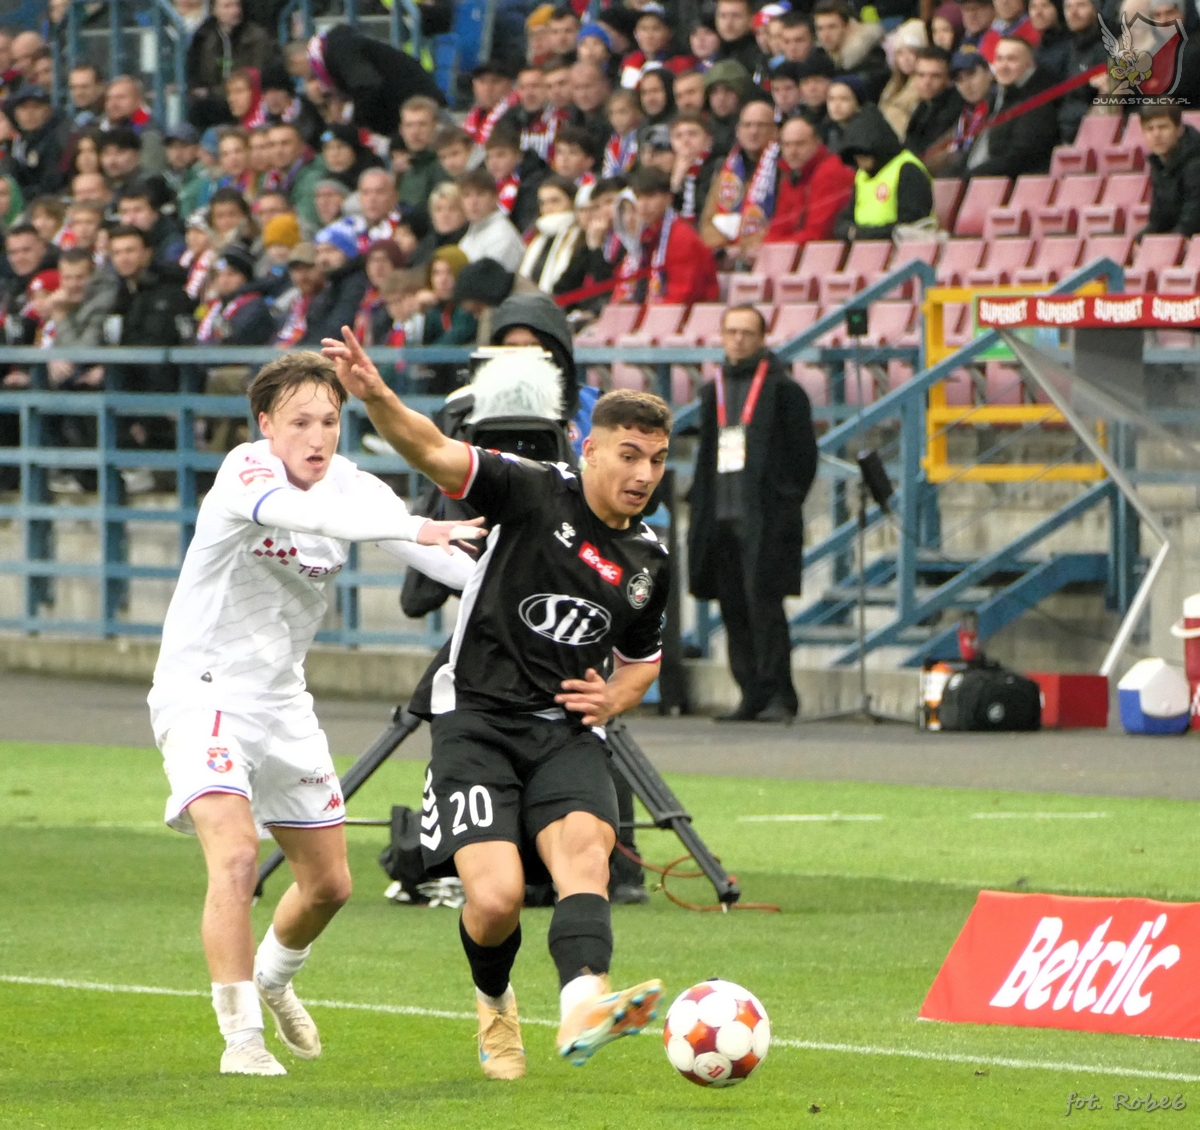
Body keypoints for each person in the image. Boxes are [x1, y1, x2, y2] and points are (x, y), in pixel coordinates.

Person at [320, 325, 672, 1079]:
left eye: (658, 459)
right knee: (496, 899)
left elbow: (644, 660)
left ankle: (584, 1003)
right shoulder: (533, 487)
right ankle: (494, 1002)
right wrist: (377, 394)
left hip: (566, 734)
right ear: (589, 448)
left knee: (587, 859)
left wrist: (611, 699)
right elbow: (434, 452)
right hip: (475, 723)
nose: (645, 473)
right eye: (630, 455)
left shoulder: (649, 561)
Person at [146, 350, 480, 1075]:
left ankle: (271, 976)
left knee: (331, 885)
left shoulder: (354, 487)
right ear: (265, 424)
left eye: (330, 420)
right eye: (300, 420)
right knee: (236, 855)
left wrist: (516, 586)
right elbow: (297, 512)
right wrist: (414, 528)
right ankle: (241, 1040)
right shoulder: (247, 473)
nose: (318, 435)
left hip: (282, 700)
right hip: (203, 692)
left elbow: (447, 560)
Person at [688, 305, 817, 725]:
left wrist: (783, 501)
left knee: (766, 608)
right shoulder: (715, 391)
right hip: (721, 518)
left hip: (764, 521)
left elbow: (804, 458)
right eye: (731, 331)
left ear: (762, 338)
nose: (738, 339)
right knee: (733, 609)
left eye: (747, 332)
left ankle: (781, 692)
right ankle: (750, 692)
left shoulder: (784, 391)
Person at [306, 24, 444, 135]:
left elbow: (366, 86)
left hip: (421, 106)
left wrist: (353, 125)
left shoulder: (340, 50)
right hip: (407, 106)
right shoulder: (343, 47)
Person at [614, 166, 719, 304]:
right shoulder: (645, 236)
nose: (643, 205)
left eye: (650, 197)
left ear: (668, 198)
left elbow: (682, 294)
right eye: (639, 197)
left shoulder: (682, 237)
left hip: (686, 316)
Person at [833, 103, 934, 240]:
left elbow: (910, 225)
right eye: (855, 157)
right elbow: (844, 220)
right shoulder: (862, 175)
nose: (859, 161)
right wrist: (852, 231)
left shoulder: (907, 169)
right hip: (868, 250)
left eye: (864, 154)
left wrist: (862, 234)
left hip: (903, 247)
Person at [964, 36, 1058, 178]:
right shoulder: (994, 98)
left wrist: (967, 177)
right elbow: (973, 152)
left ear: (1030, 64)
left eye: (1012, 59)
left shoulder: (1038, 101)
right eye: (999, 59)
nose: (1003, 66)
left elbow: (1018, 158)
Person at [700, 101, 780, 261]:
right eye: (747, 125)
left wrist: (746, 247)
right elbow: (708, 221)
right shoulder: (726, 169)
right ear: (738, 131)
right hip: (725, 256)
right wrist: (726, 249)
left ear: (775, 131)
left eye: (761, 125)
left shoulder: (783, 168)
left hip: (766, 255)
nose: (753, 131)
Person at [765, 115, 854, 246]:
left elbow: (818, 234)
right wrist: (765, 246)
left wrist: (771, 247)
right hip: (797, 252)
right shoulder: (793, 174)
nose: (792, 151)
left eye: (799, 144)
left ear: (816, 142)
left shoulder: (831, 172)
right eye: (787, 145)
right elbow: (780, 226)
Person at [301, 222, 368, 344]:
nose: (323, 259)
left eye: (330, 250)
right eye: (318, 252)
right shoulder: (332, 285)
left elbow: (336, 332)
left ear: (348, 252)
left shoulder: (356, 285)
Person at [1141, 103, 1200, 239]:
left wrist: (1167, 245)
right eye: (1149, 129)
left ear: (1179, 129)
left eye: (1163, 127)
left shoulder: (1196, 164)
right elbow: (1158, 220)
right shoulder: (1158, 164)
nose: (1156, 134)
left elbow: (1193, 219)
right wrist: (1139, 241)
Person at [812, 0, 889, 103]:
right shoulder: (818, 58)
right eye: (820, 28)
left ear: (847, 27)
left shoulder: (871, 56)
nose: (825, 35)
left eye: (832, 27)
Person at [1056, 0, 1107, 144]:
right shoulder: (1065, 49)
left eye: (1081, 5)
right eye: (1068, 7)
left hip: (1090, 135)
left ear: (1096, 9)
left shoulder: (1107, 49)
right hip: (1061, 132)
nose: (1073, 12)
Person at [519, 175, 581, 292]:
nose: (548, 208)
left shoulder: (579, 236)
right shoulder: (537, 237)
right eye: (543, 203)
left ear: (572, 201)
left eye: (555, 201)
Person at [457, 168, 526, 272]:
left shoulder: (502, 236)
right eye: (466, 195)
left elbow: (491, 282)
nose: (473, 202)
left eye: (480, 194)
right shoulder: (469, 235)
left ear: (495, 198)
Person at [904, 47, 965, 164]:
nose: (926, 82)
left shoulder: (955, 108)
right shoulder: (922, 107)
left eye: (935, 76)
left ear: (948, 79)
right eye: (921, 75)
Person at [397, 96, 449, 224]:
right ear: (401, 130)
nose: (415, 132)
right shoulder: (402, 169)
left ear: (436, 126)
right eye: (409, 125)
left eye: (422, 124)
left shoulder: (444, 165)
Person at [7, 86, 64, 197]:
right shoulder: (16, 141)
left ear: (48, 111)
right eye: (24, 108)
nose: (30, 113)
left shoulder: (56, 140)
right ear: (15, 114)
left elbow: (51, 184)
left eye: (36, 107)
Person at [879, 19, 928, 141]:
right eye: (900, 53)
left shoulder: (925, 87)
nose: (905, 59)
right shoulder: (892, 86)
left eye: (912, 52)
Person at [669, 112, 718, 224]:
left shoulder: (718, 166)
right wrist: (676, 182)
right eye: (678, 136)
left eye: (692, 134)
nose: (685, 140)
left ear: (708, 140)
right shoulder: (664, 171)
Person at [464, 61, 520, 146]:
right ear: (474, 86)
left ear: (510, 85)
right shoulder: (473, 115)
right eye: (482, 82)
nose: (488, 88)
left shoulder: (517, 116)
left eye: (496, 81)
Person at [715, 0, 769, 82]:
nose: (728, 23)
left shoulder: (759, 57)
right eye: (723, 16)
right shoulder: (713, 53)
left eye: (736, 16)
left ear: (751, 19)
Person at [68, 63, 106, 127]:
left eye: (84, 87)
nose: (78, 93)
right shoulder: (64, 123)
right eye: (74, 87)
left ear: (100, 87)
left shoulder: (110, 122)